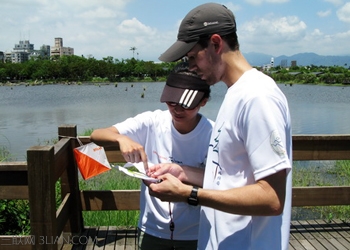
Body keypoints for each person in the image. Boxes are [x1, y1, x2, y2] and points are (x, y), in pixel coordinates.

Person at [147, 3, 292, 250]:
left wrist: (189, 194)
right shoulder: (234, 94)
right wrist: (183, 172)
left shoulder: (258, 98)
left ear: (215, 44)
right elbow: (232, 177)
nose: (190, 66)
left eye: (193, 56)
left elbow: (272, 198)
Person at [90, 62, 214, 250]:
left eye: (186, 104)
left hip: (196, 231)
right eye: (172, 101)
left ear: (203, 101)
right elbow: (97, 135)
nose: (177, 109)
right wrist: (121, 139)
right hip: (151, 228)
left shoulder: (214, 133)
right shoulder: (151, 122)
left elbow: (225, 180)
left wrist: (184, 173)